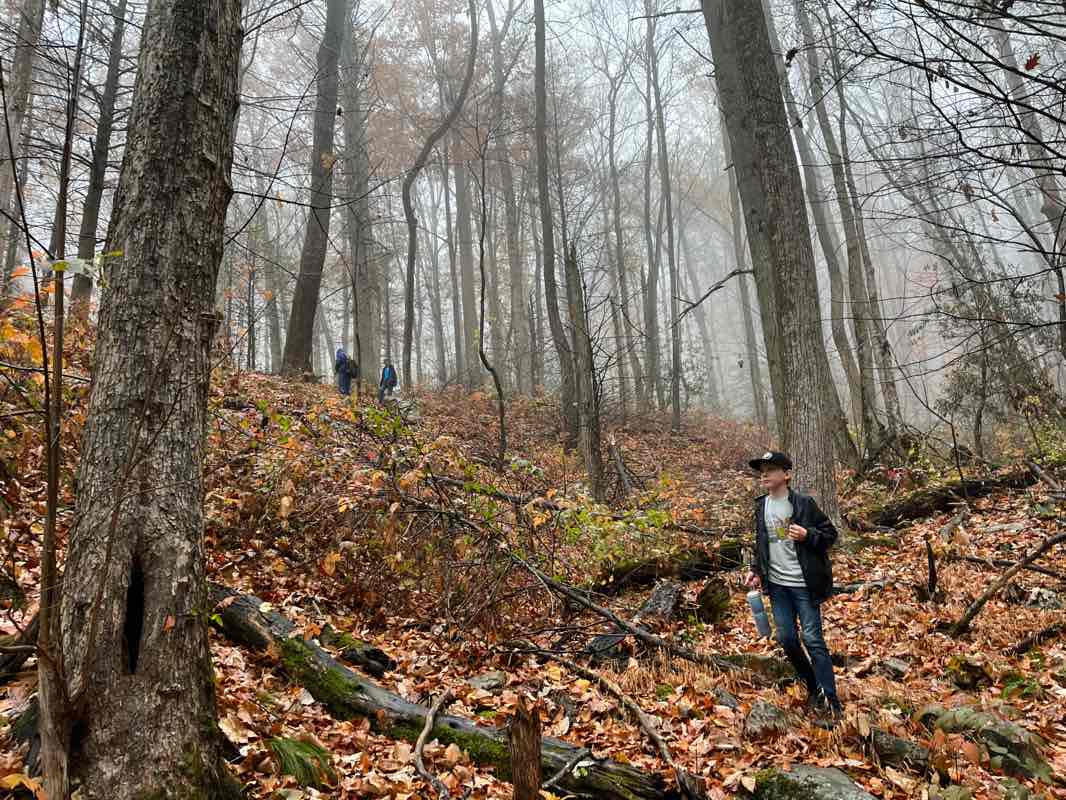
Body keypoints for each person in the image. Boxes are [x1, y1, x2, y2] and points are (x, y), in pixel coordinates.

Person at [745, 450, 843, 724]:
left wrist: (808, 535)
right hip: (777, 586)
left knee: (813, 640)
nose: (764, 473)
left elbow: (830, 535)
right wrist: (756, 571)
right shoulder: (761, 505)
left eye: (771, 469)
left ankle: (832, 701)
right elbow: (761, 542)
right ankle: (814, 687)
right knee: (787, 639)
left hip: (804, 585)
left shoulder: (803, 504)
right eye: (761, 469)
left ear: (786, 475)